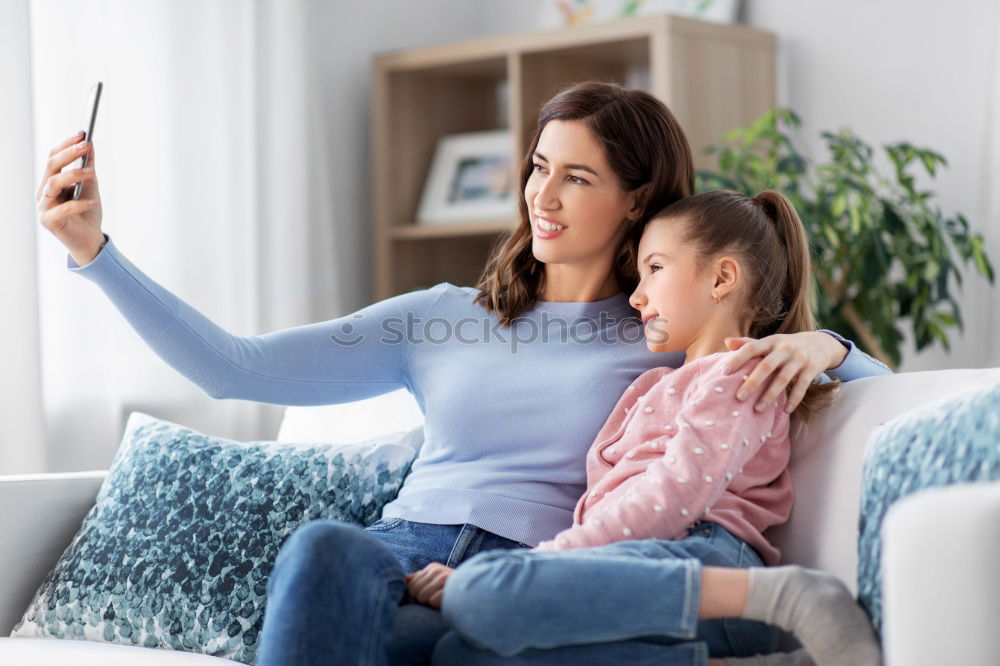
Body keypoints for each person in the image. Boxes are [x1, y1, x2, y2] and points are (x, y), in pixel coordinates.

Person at [35, 81, 892, 665]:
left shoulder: (668, 327)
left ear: (636, 200)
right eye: (537, 168)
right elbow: (231, 367)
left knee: (457, 653)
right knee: (323, 550)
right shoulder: (442, 315)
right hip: (402, 554)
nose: (541, 197)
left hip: (533, 575)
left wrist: (826, 348)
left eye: (577, 176)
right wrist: (95, 254)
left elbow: (862, 385)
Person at [408, 189, 884, 666]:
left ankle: (792, 597)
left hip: (707, 568)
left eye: (654, 269)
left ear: (721, 278)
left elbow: (676, 494)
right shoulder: (653, 384)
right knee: (460, 655)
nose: (636, 296)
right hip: (648, 581)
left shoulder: (742, 371)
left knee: (479, 591)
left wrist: (541, 564)